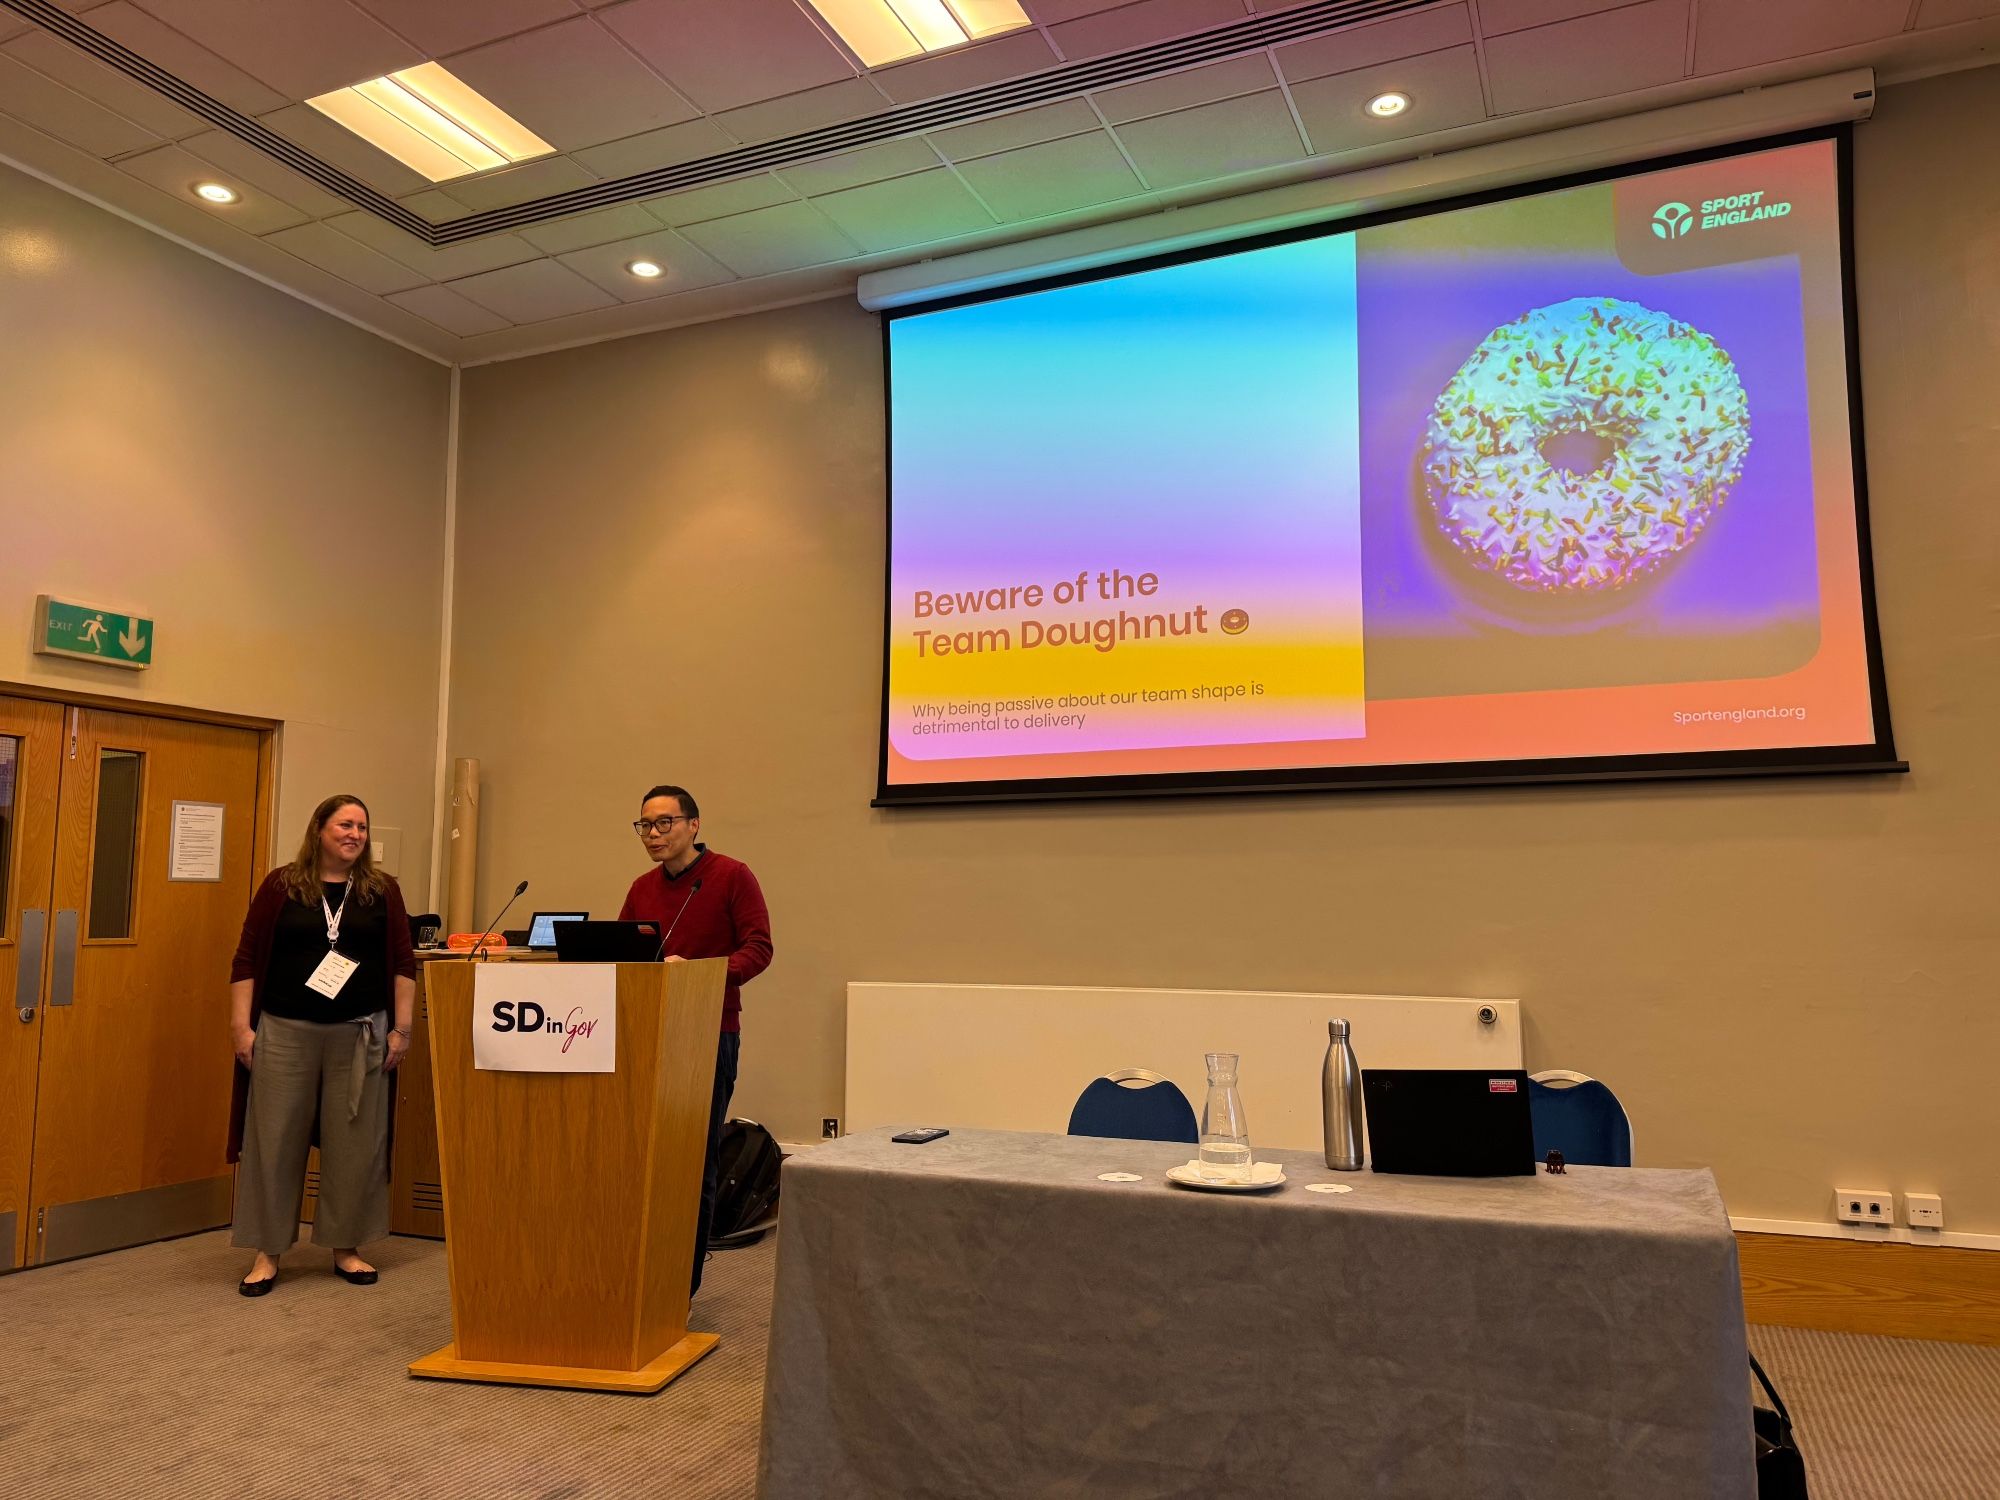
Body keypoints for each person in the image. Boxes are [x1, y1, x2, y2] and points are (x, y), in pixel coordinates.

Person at [226, 794, 416, 1296]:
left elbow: (402, 963)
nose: (354, 834)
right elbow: (245, 960)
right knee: (274, 1140)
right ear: (319, 830)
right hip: (286, 1030)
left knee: (355, 1143)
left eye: (362, 827)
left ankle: (345, 1247)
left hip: (360, 1032)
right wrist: (242, 1030)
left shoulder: (382, 890)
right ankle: (268, 1252)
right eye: (344, 825)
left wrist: (402, 1029)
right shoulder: (282, 885)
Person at [618, 784, 772, 1297]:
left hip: (709, 1032)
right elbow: (622, 955)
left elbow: (759, 949)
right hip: (646, 1033)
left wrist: (701, 973)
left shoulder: (731, 876)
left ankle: (680, 1289)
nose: (654, 835)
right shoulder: (641, 888)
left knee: (692, 1158)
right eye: (645, 826)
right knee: (646, 1157)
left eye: (664, 823)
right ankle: (639, 1273)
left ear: (693, 825)